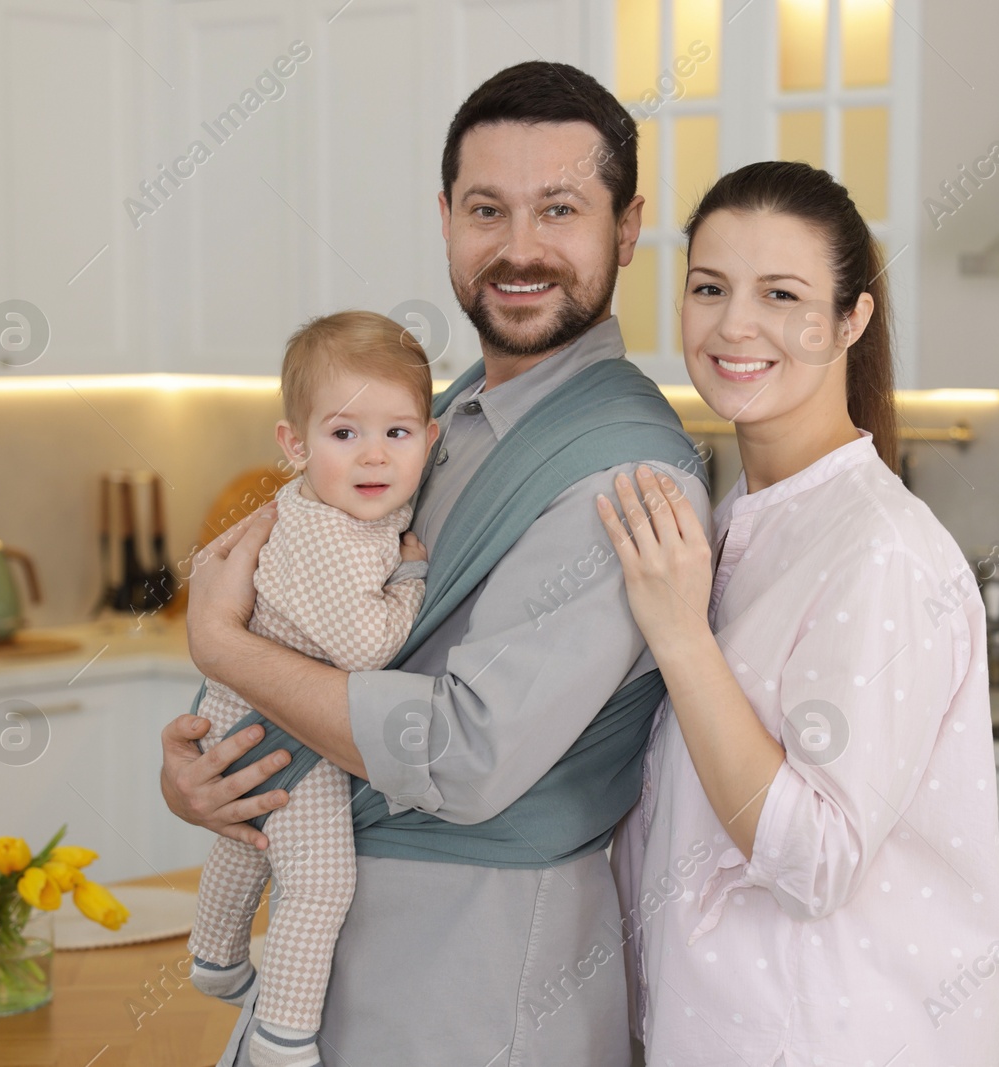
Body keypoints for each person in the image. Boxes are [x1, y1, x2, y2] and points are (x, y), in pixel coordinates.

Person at [160, 61, 711, 1066]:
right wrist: (215, 774)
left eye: (560, 209)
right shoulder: (437, 417)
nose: (519, 248)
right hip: (357, 955)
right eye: (487, 208)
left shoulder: (624, 471)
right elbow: (337, 648)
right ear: (445, 216)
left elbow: (460, 752)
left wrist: (223, 648)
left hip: (475, 973)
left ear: (627, 228)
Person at [601, 161, 999, 1065]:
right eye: (710, 288)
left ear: (850, 318)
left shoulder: (882, 553)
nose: (735, 325)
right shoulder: (732, 524)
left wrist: (678, 635)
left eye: (781, 294)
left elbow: (814, 859)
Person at [184, 312, 436, 1067]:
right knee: (320, 883)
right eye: (344, 434)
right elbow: (366, 647)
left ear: (430, 439)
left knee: (249, 839)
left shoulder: (328, 506)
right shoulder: (329, 532)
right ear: (294, 444)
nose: (373, 456)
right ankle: (284, 1037)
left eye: (398, 433)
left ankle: (215, 954)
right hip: (288, 730)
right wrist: (411, 583)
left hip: (246, 716)